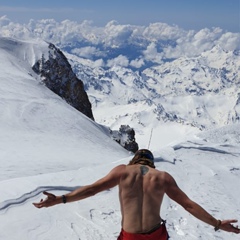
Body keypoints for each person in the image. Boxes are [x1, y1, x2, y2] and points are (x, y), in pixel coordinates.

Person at [33, 149, 240, 239]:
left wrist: (61, 199)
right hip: (156, 236)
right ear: (151, 163)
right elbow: (188, 205)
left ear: (134, 161)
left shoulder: (123, 171)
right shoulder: (162, 177)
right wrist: (217, 224)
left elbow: (92, 189)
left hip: (130, 237)